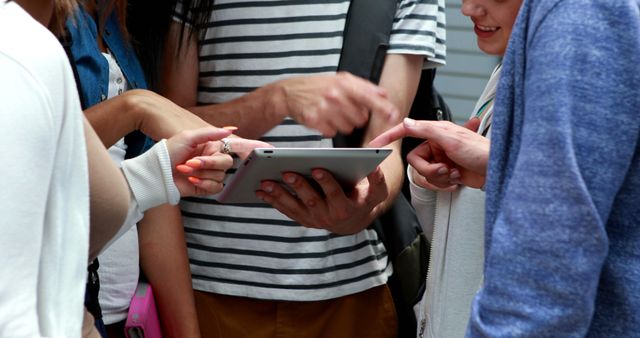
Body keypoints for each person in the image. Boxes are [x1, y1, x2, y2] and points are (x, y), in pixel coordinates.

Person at [142, 0, 446, 336]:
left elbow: (387, 141)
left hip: (349, 290)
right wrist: (275, 100)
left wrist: (365, 204)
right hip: (208, 289)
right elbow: (167, 128)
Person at [372, 0, 640, 336]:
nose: (468, 9)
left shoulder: (581, 20)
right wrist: (485, 170)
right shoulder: (510, 69)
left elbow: (550, 251)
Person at [0, 0, 247, 335]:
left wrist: (157, 175)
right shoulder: (21, 44)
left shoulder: (107, 29)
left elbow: (79, 224)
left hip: (105, 314)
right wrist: (134, 109)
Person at [63, 2, 268, 336]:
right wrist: (135, 108)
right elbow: (39, 153)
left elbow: (157, 200)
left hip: (123, 315)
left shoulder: (120, 27)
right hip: (61, 309)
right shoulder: (31, 25)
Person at [371, 0, 521, 336]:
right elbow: (462, 243)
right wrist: (430, 184)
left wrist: (495, 164)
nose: (468, 9)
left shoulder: (555, 85)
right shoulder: (505, 73)